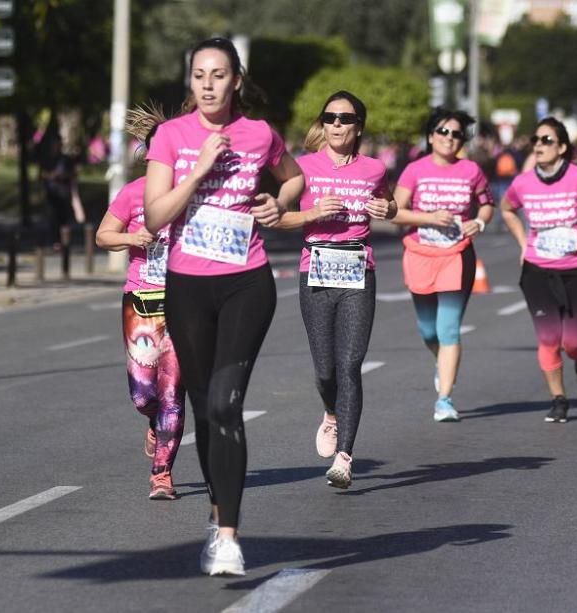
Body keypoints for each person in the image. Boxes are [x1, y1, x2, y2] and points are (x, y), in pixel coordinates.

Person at [143, 37, 305, 576]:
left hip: (246, 281)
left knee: (227, 402)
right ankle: (218, 512)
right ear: (189, 82)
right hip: (188, 284)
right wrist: (198, 170)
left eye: (218, 74)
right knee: (203, 405)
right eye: (198, 75)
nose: (208, 84)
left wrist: (276, 202)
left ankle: (230, 535)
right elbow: (153, 217)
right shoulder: (171, 136)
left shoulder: (260, 134)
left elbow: (295, 178)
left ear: (236, 80)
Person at [275, 90, 396, 489]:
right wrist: (312, 213)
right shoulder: (303, 167)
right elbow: (277, 217)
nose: (337, 125)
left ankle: (345, 457)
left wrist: (387, 211)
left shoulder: (374, 169)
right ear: (322, 124)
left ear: (359, 126)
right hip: (316, 269)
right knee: (325, 370)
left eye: (345, 118)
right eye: (330, 118)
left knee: (350, 364)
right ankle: (331, 412)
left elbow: (388, 204)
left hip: (358, 272)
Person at [500, 117, 577, 424]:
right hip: (538, 270)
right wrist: (524, 243)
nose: (538, 145)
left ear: (562, 147)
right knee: (549, 338)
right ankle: (559, 399)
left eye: (546, 140)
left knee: (574, 341)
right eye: (535, 140)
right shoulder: (523, 182)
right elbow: (507, 209)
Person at [96, 105, 184, 500]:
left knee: (171, 392)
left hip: (185, 303)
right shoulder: (133, 193)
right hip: (142, 302)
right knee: (143, 395)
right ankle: (153, 423)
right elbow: (102, 236)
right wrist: (133, 239)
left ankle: (162, 474)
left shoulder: (193, 195)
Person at [391, 108, 494, 422]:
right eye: (443, 132)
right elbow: (395, 211)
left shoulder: (471, 170)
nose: (450, 138)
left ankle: (444, 399)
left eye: (457, 134)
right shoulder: (414, 170)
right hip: (420, 254)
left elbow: (488, 204)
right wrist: (429, 218)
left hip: (457, 254)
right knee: (427, 330)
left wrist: (479, 220)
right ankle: (442, 363)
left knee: (448, 328)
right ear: (431, 135)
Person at [39, 137, 85, 250]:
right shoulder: (48, 160)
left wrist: (63, 176)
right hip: (51, 193)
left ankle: (64, 241)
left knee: (64, 218)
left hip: (63, 192)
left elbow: (73, 174)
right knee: (52, 218)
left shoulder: (66, 159)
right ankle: (55, 241)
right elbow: (41, 175)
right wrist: (51, 176)